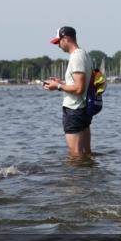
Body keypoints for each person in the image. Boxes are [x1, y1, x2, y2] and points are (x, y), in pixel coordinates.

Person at [43, 26, 94, 158]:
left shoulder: (76, 57)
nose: (58, 46)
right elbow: (79, 85)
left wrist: (58, 86)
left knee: (75, 155)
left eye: (58, 42)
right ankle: (88, 172)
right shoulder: (84, 54)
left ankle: (75, 173)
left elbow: (79, 88)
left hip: (74, 111)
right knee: (86, 154)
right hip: (82, 109)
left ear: (66, 39)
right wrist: (61, 82)